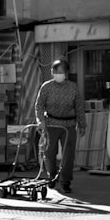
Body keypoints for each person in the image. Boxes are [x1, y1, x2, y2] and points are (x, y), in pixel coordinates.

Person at [34, 59, 86, 194]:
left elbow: (79, 106)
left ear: (66, 73)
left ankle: (65, 181)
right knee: (49, 152)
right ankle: (52, 175)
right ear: (52, 72)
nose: (58, 74)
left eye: (61, 72)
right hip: (51, 124)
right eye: (56, 72)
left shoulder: (73, 87)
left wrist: (82, 124)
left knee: (68, 154)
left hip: (68, 125)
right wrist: (40, 121)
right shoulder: (46, 87)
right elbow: (39, 105)